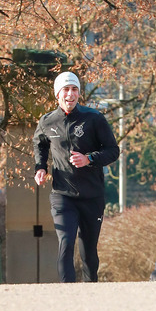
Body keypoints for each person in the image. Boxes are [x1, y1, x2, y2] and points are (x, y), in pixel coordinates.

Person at [34, 71, 120, 282]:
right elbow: (40, 143)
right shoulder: (47, 121)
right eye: (66, 90)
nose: (70, 94)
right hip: (63, 194)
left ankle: (90, 291)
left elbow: (113, 150)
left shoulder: (94, 118)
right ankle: (68, 292)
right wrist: (40, 167)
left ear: (79, 94)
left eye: (74, 90)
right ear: (57, 95)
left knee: (88, 251)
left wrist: (89, 158)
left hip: (92, 195)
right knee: (66, 241)